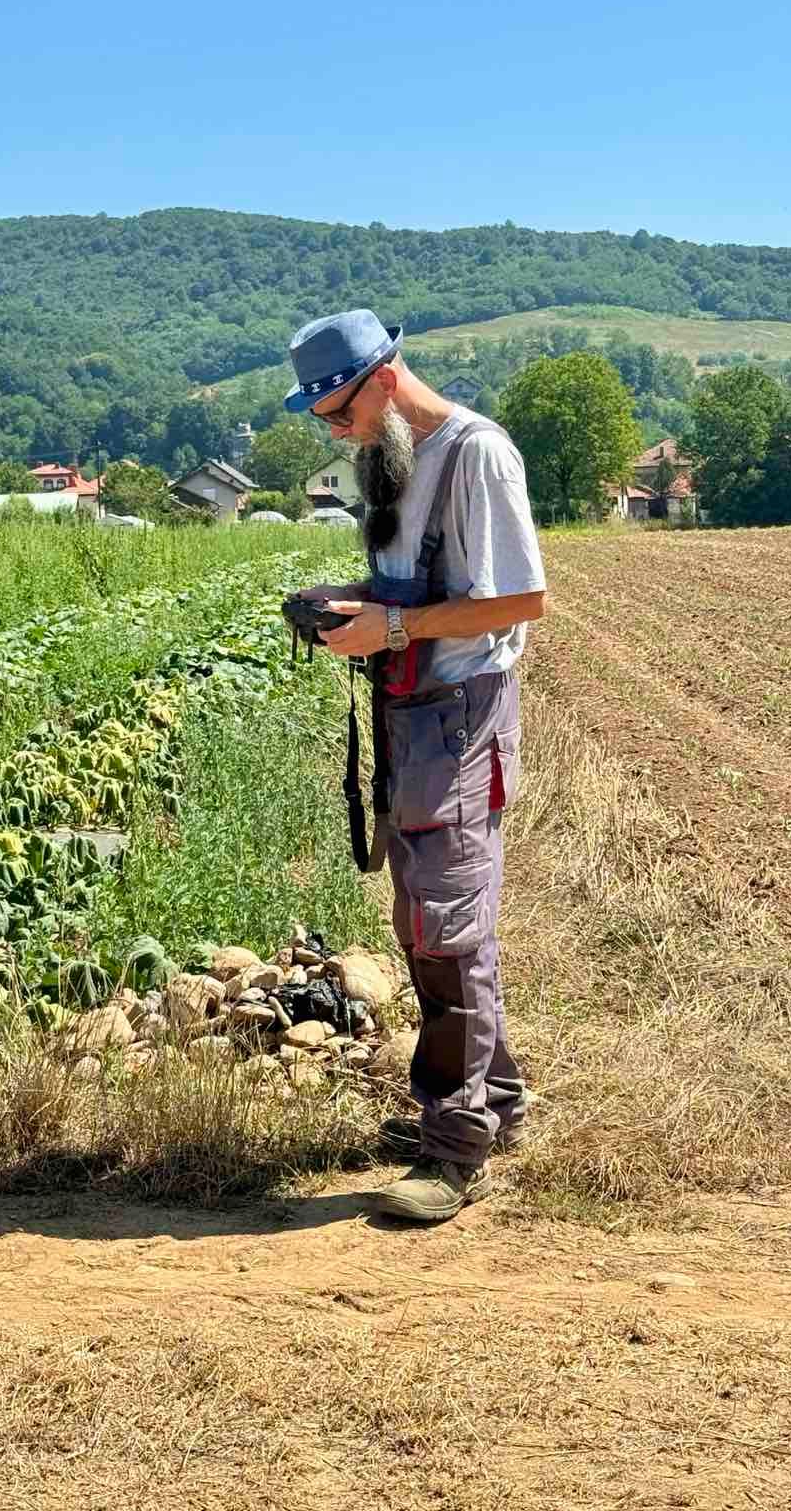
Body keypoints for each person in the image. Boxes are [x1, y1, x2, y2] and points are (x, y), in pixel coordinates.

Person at [283, 309, 547, 1224]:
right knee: (429, 916)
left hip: (461, 717)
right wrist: (345, 605)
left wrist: (388, 627)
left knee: (445, 928)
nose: (334, 431)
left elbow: (521, 598)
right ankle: (495, 1108)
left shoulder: (479, 454)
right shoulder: (393, 460)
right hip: (407, 715)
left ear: (385, 382)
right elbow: (419, 590)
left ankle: (453, 1147)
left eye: (337, 412)